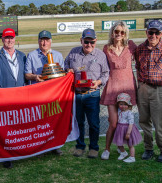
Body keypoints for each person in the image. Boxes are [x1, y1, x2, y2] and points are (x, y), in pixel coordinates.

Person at [135, 20, 162, 162]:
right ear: (146, 32)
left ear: (161, 34)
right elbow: (137, 68)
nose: (153, 35)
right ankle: (148, 148)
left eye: (156, 32)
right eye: (150, 32)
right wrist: (139, 86)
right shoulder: (140, 48)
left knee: (159, 122)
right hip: (143, 88)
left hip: (161, 90)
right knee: (144, 121)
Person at [65, 28, 109, 158]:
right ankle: (80, 146)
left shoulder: (100, 55)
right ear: (81, 40)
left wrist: (99, 82)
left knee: (93, 123)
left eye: (92, 42)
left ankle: (94, 147)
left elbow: (106, 73)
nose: (89, 45)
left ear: (95, 41)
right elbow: (65, 65)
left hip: (92, 93)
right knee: (79, 122)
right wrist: (68, 70)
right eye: (86, 42)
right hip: (77, 94)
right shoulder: (73, 53)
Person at [0, 28, 27, 168]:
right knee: (6, 131)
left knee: (20, 128)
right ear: (2, 40)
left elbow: (26, 79)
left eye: (11, 38)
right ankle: (6, 156)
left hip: (21, 100)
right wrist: (1, 99)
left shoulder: (22, 56)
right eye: (6, 38)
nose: (9, 40)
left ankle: (20, 151)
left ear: (15, 39)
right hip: (5, 101)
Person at [100, 21, 137, 160]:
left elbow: (142, 59)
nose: (119, 34)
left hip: (128, 89)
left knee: (125, 123)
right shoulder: (106, 48)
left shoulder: (131, 46)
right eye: (116, 31)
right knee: (114, 123)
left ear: (125, 33)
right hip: (112, 88)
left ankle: (125, 150)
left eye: (122, 32)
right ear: (112, 32)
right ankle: (107, 149)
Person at [25, 30, 64, 155]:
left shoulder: (57, 55)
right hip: (38, 94)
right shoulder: (32, 55)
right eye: (42, 40)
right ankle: (38, 146)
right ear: (38, 41)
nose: (44, 42)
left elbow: (62, 75)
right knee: (38, 122)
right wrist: (35, 77)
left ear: (51, 41)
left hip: (53, 94)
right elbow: (26, 74)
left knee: (53, 120)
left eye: (47, 40)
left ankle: (54, 145)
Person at [112, 93, 142, 163]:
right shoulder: (119, 111)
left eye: (125, 104)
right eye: (121, 104)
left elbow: (131, 123)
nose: (123, 106)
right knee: (119, 143)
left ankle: (132, 157)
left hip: (128, 129)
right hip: (120, 128)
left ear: (128, 105)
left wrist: (128, 133)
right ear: (118, 105)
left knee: (130, 144)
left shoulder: (129, 113)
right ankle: (123, 152)